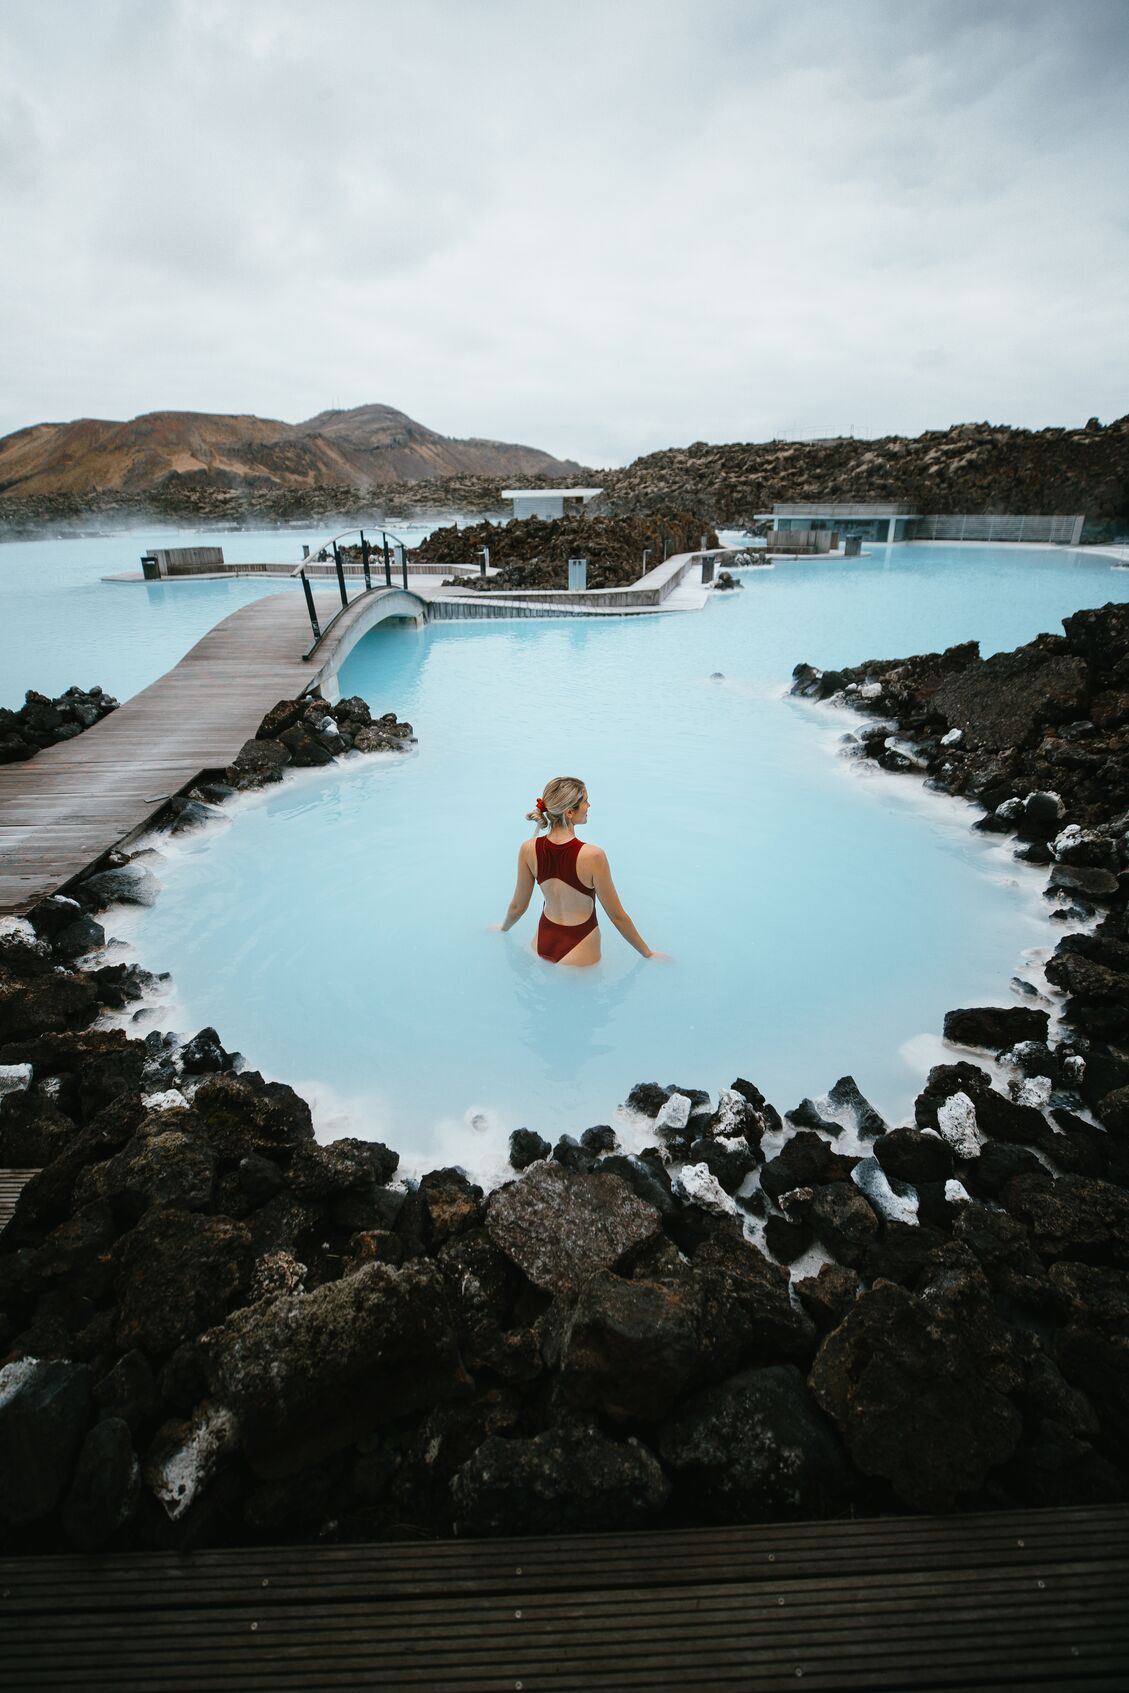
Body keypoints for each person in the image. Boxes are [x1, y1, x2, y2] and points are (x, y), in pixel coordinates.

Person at [495, 775, 667, 966]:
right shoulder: (593, 856)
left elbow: (518, 907)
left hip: (541, 942)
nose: (589, 806)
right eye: (585, 801)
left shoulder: (528, 848)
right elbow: (617, 917)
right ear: (569, 812)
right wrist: (648, 954)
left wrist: (502, 929)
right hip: (579, 949)